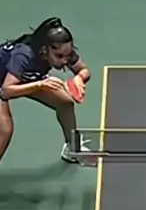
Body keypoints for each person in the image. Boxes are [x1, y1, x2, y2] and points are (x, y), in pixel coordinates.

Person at [0, 17, 90, 164]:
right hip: (6, 83)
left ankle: (72, 150)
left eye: (68, 55)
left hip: (25, 78)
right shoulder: (23, 56)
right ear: (44, 50)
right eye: (59, 56)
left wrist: (79, 78)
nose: (65, 61)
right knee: (4, 130)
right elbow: (5, 91)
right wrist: (40, 84)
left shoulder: (63, 51)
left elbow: (84, 70)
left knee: (65, 103)